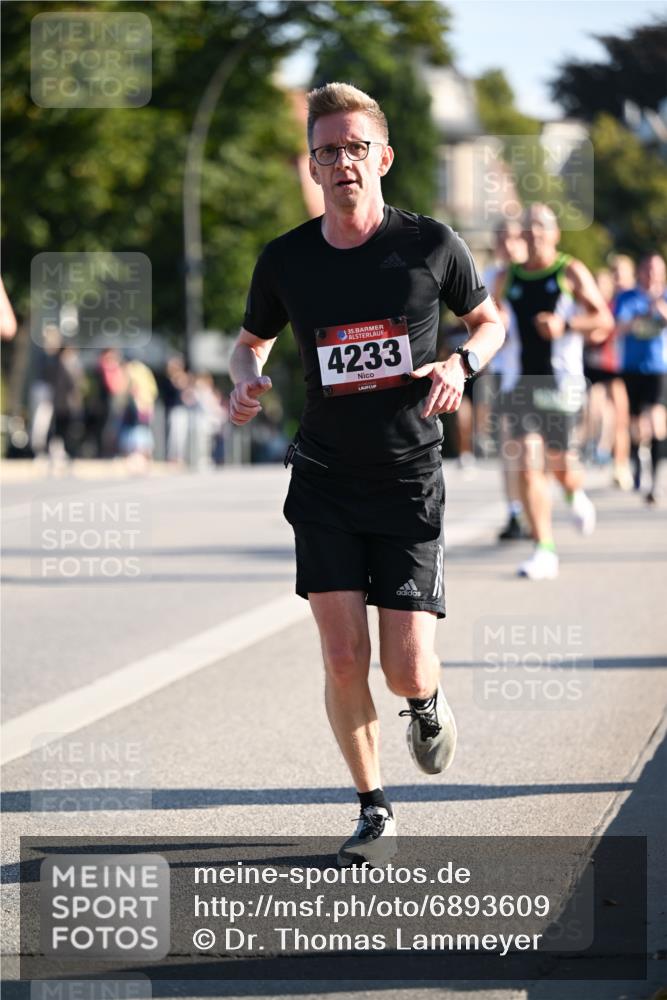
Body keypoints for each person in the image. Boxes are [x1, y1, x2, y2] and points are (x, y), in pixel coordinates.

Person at [229, 82, 504, 866]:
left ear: (381, 157)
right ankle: (371, 802)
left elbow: (488, 321)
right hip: (321, 476)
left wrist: (463, 361)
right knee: (343, 655)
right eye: (327, 150)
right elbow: (251, 340)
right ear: (310, 166)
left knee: (401, 663)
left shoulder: (429, 245)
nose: (342, 162)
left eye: (355, 148)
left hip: (407, 475)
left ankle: (421, 701)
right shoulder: (285, 258)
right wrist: (244, 376)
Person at [494, 203, 614, 580]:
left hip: (562, 384)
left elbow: (603, 319)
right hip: (521, 384)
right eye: (527, 228)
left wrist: (566, 324)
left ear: (555, 233)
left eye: (541, 227)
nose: (534, 234)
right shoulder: (506, 277)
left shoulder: (569, 271)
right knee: (529, 463)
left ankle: (575, 492)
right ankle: (544, 549)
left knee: (561, 466)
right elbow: (489, 320)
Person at [483, 218, 529, 540]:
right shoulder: (489, 277)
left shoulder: (537, 275)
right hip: (503, 371)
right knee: (510, 445)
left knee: (536, 449)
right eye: (502, 237)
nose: (508, 244)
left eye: (514, 237)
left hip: (538, 372)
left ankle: (532, 504)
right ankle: (515, 511)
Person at [615, 253, 667, 504]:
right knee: (636, 423)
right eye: (647, 269)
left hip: (658, 368)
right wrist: (639, 318)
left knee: (656, 421)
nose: (651, 274)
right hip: (632, 367)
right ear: (640, 272)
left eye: (656, 270)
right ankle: (636, 464)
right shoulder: (628, 297)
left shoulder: (665, 297)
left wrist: (660, 310)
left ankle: (655, 482)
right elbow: (619, 326)